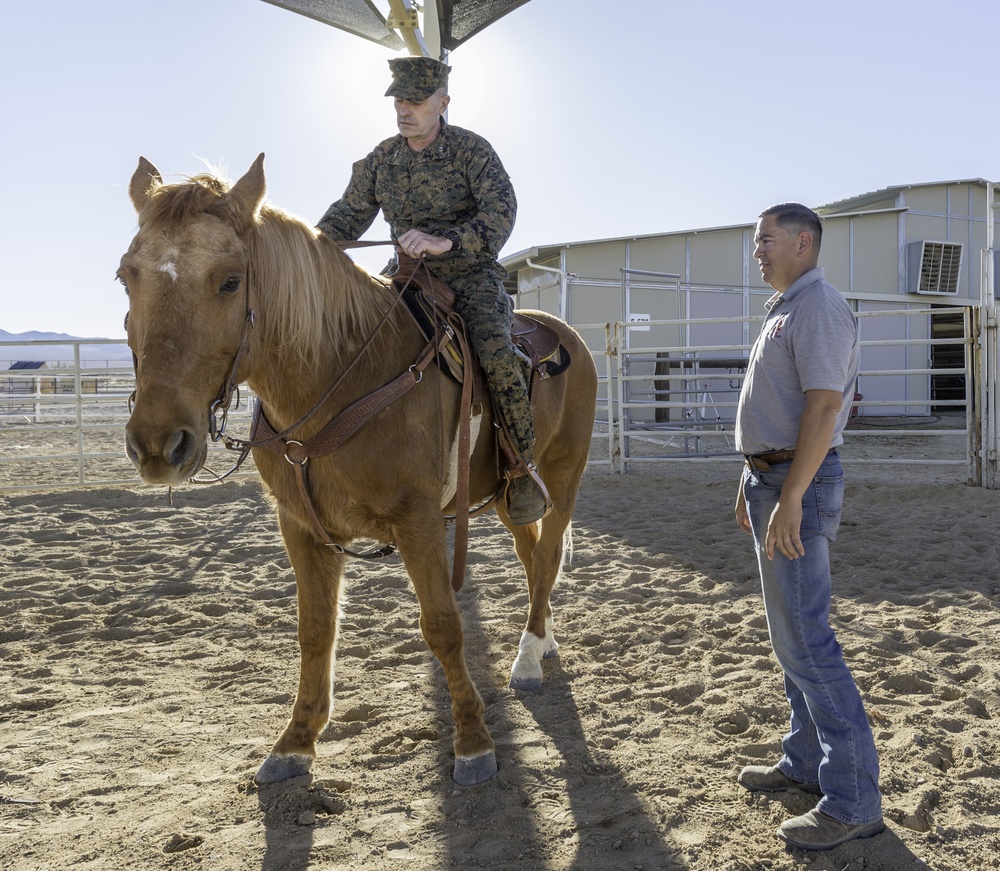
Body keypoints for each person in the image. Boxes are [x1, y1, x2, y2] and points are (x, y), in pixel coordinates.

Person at [316, 55, 546, 525]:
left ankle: (522, 467)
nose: (405, 111)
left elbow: (501, 211)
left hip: (470, 274)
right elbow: (345, 218)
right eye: (399, 101)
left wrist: (449, 241)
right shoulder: (381, 160)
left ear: (442, 103)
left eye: (416, 102)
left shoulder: (471, 151)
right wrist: (306, 246)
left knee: (498, 354)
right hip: (404, 277)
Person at [734, 203, 884, 850]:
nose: (757, 252)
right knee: (790, 636)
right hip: (771, 481)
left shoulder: (818, 305)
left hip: (796, 483)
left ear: (802, 241)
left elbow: (825, 407)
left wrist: (790, 495)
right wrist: (750, 480)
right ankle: (802, 759)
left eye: (765, 240)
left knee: (810, 642)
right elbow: (783, 402)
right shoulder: (789, 306)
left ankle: (852, 797)